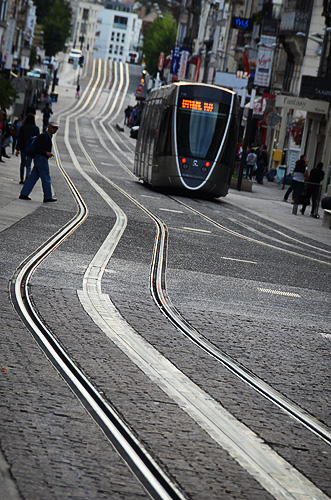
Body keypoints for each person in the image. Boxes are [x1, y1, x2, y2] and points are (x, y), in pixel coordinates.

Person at [19, 120, 59, 202]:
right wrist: (46, 153)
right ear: (49, 127)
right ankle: (47, 196)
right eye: (54, 128)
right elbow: (37, 148)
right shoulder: (44, 136)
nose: (55, 130)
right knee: (46, 178)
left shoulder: (47, 136)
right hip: (41, 159)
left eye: (56, 128)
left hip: (40, 158)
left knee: (33, 177)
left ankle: (24, 193)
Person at [15, 113, 40, 184]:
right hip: (31, 149)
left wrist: (17, 149)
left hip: (23, 148)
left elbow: (19, 139)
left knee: (22, 163)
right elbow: (37, 140)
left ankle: (21, 178)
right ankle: (27, 176)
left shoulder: (23, 127)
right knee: (28, 164)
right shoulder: (36, 128)